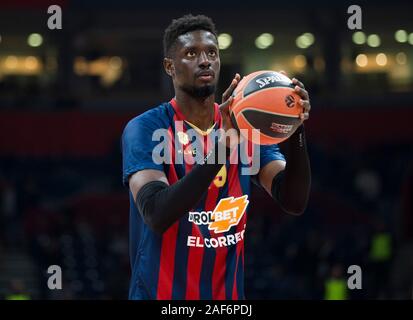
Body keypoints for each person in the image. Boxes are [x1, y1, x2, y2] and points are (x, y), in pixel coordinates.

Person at [121, 14, 311, 300]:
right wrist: (225, 146)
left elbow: (293, 200)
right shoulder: (147, 128)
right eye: (191, 53)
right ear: (169, 67)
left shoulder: (245, 128)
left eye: (212, 52)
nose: (205, 60)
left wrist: (296, 129)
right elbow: (157, 213)